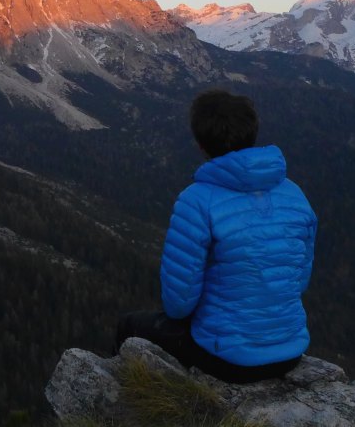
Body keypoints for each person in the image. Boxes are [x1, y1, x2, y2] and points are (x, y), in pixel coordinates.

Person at [115, 89, 317, 382]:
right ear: (253, 132)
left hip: (228, 358)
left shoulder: (196, 200)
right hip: (290, 351)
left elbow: (178, 304)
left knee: (129, 325)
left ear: (200, 145)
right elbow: (299, 281)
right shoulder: (295, 194)